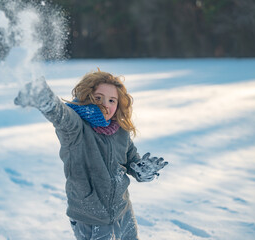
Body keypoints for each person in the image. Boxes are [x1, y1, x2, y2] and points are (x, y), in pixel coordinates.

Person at [14, 69, 168, 240]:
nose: (106, 104)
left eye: (112, 100)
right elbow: (62, 116)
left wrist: (141, 170)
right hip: (90, 216)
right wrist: (45, 98)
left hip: (123, 210)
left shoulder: (120, 131)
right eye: (98, 98)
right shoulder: (76, 129)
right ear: (87, 97)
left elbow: (131, 159)